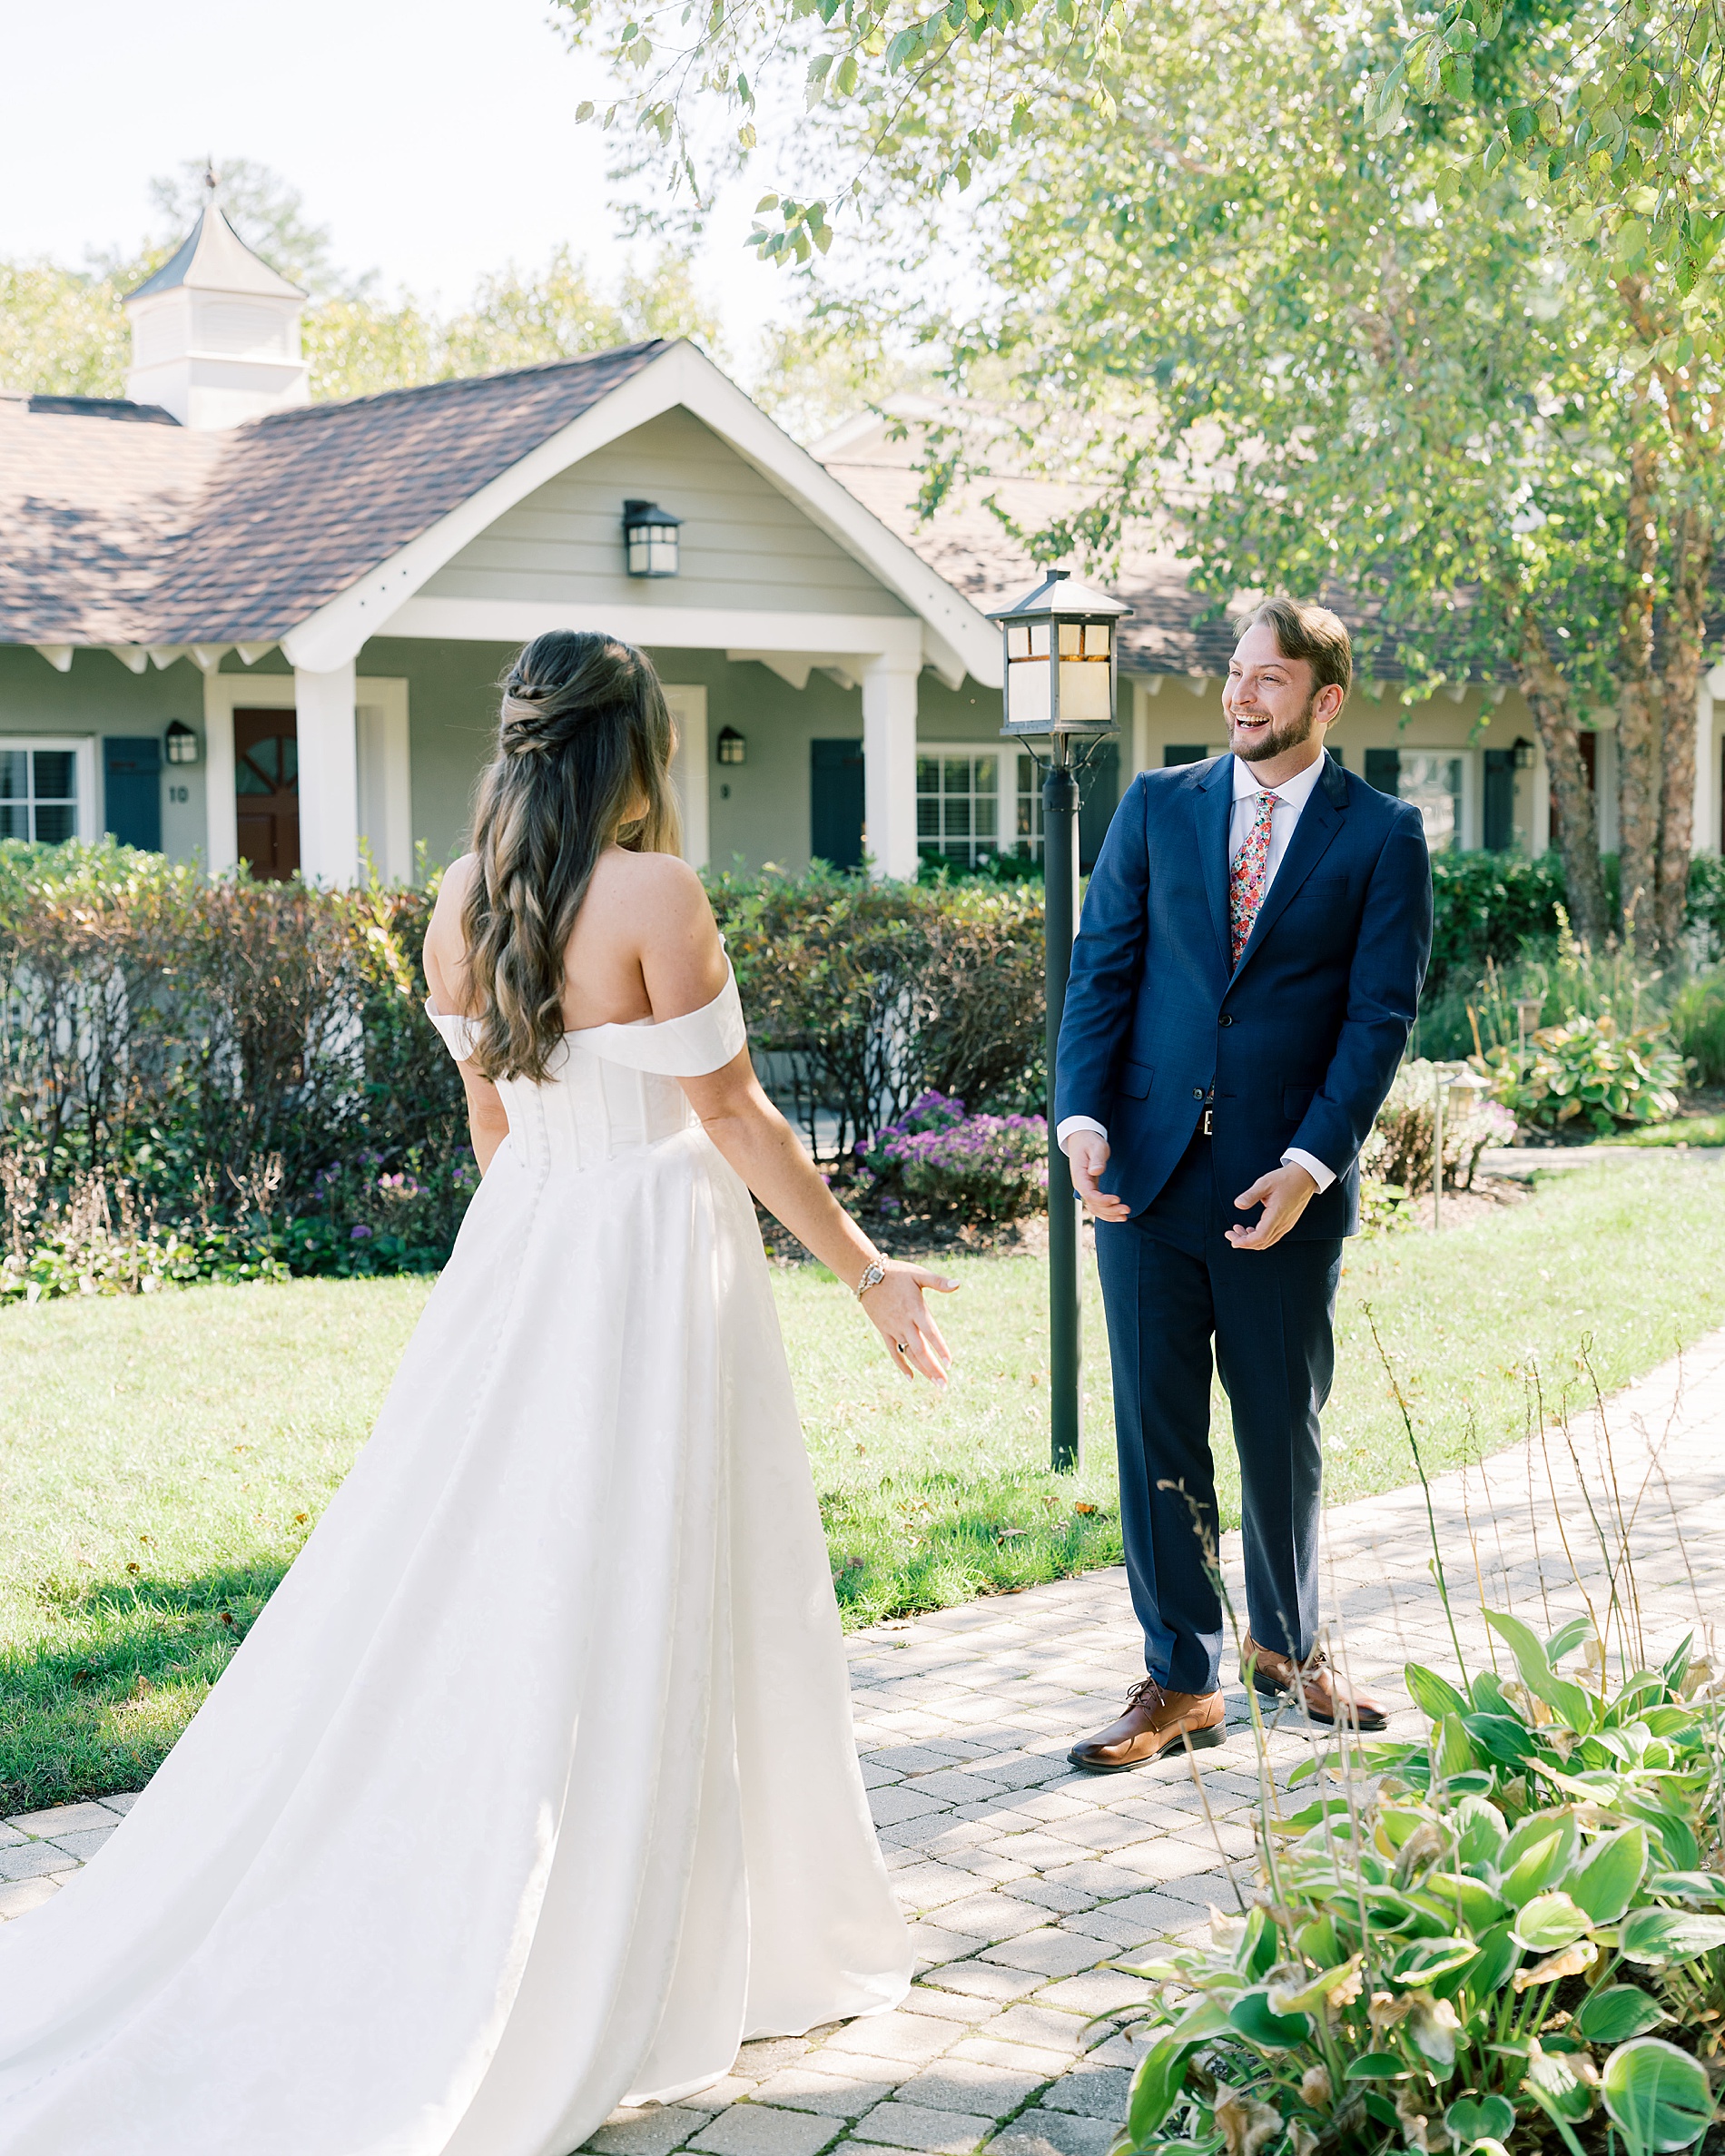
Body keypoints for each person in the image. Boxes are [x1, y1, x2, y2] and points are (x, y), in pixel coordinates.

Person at [0, 631, 956, 2151]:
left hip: (525, 1257)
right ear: (634, 742)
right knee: (662, 1568)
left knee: (497, 1574)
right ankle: (668, 1931)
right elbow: (736, 1119)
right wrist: (868, 1273)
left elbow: (496, 1128)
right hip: (650, 1260)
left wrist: (537, 1268)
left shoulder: (460, 897)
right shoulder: (657, 894)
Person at [1056, 598, 1433, 1771]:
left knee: (1278, 1426)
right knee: (1154, 1427)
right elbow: (1100, 972)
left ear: (1325, 700)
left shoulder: (1381, 835)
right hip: (1148, 1179)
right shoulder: (1157, 807)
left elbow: (1378, 1019)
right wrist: (1077, 1117)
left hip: (1283, 1186)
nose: (1240, 695)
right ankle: (1179, 1677)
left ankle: (1290, 1646)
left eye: (1271, 679)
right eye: (1235, 674)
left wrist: (1313, 1166)